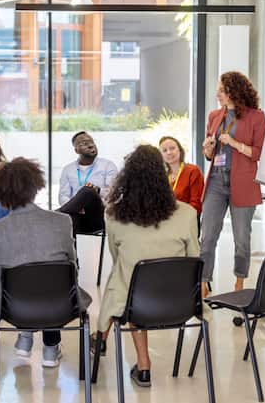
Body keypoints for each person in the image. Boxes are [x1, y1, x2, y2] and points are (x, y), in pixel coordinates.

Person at [94, 145, 199, 388]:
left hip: (136, 304)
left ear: (127, 179)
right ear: (163, 176)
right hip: (180, 302)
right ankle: (103, 339)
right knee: (131, 282)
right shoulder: (187, 214)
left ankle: (142, 365)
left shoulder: (113, 215)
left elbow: (116, 258)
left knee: (125, 279)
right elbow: (195, 259)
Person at [0, 157, 91, 367]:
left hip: (15, 308)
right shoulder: (62, 222)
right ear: (35, 186)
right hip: (61, 305)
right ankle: (50, 349)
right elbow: (72, 266)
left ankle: (25, 335)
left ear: (0, 192)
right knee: (53, 278)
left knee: (22, 281)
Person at [200, 71, 265, 299]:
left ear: (234, 91)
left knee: (241, 239)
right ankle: (203, 281)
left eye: (222, 90)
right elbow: (209, 155)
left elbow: (259, 153)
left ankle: (239, 281)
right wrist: (208, 149)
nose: (217, 94)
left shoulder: (256, 117)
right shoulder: (214, 116)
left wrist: (235, 143)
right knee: (208, 236)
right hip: (216, 181)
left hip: (243, 181)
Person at [57, 131, 118, 234]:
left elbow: (114, 194)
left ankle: (53, 216)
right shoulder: (68, 169)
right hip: (76, 214)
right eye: (84, 143)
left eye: (91, 142)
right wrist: (77, 206)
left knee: (88, 191)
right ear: (76, 150)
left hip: (99, 214)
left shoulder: (108, 165)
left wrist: (97, 190)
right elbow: (63, 196)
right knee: (73, 218)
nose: (90, 145)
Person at [159, 136, 205, 214]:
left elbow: (197, 204)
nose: (169, 152)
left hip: (188, 218)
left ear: (180, 150)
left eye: (172, 148)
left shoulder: (193, 171)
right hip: (167, 218)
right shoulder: (162, 177)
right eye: (164, 150)